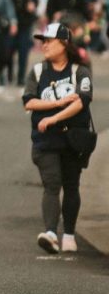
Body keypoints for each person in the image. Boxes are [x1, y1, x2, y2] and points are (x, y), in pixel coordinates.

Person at [22, 23, 94, 255]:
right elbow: (29, 102)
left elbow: (82, 101)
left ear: (63, 43)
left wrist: (53, 118)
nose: (44, 45)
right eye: (42, 40)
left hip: (73, 140)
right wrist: (57, 104)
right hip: (46, 142)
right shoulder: (38, 71)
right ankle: (51, 233)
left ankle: (70, 233)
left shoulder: (79, 72)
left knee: (71, 186)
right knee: (52, 184)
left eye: (48, 40)